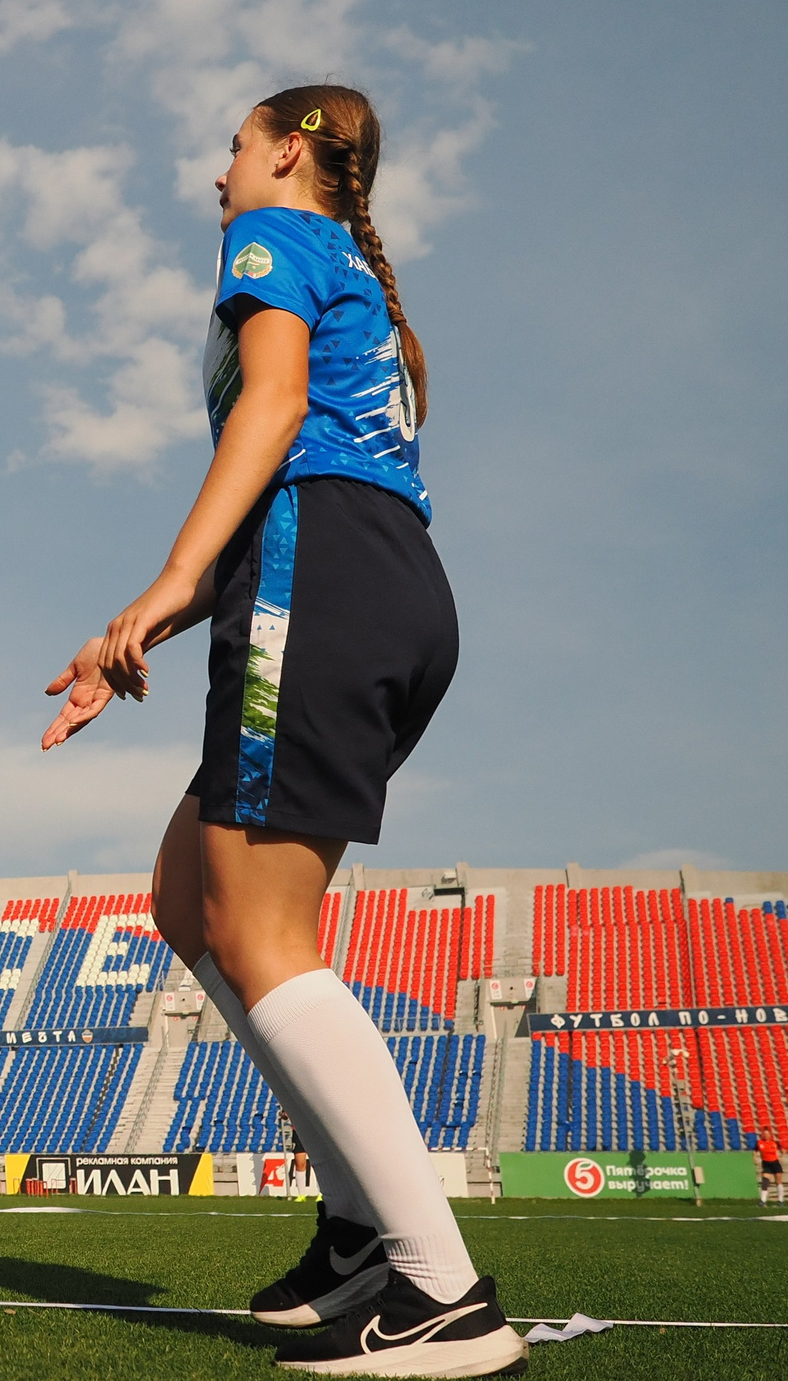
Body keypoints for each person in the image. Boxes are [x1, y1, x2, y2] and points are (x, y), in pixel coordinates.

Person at [43, 88, 523, 1378]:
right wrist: (128, 634)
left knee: (262, 935)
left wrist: (160, 583)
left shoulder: (271, 239)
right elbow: (288, 486)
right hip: (367, 587)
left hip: (329, 578)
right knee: (186, 900)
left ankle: (443, 1295)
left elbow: (270, 421)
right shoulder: (350, 267)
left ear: (289, 152)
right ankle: (361, 1231)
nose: (220, 174)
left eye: (234, 149)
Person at [757, 1131, 784, 1204]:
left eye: (767, 1134)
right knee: (765, 1182)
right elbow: (755, 1151)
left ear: (770, 1135)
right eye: (764, 1134)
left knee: (778, 1181)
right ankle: (763, 1200)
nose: (766, 1135)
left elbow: (783, 1150)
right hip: (766, 1163)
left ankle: (780, 1200)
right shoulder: (760, 1143)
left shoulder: (774, 1143)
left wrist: (782, 1156)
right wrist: (755, 1158)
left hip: (775, 1163)